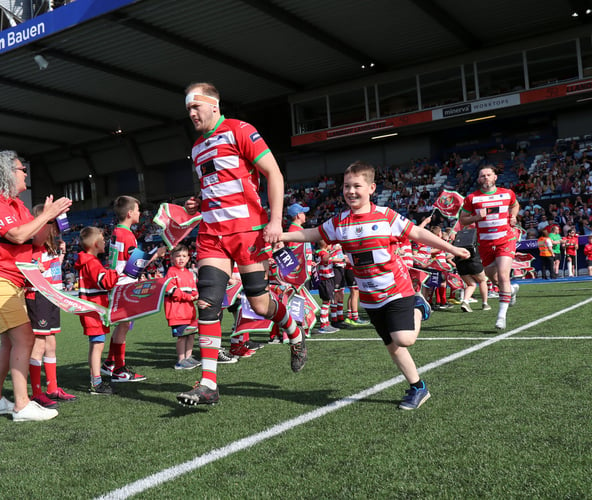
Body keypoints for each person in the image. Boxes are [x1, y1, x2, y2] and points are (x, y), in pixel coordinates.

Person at [281, 161, 470, 410]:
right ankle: (418, 388)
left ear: (371, 188)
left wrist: (452, 248)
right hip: (371, 297)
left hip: (397, 290)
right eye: (347, 186)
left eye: (356, 186)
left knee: (404, 339)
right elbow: (312, 233)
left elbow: (418, 234)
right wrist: (281, 235)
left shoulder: (386, 216)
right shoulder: (339, 222)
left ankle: (418, 305)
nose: (350, 191)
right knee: (393, 346)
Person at [176, 82, 307, 407]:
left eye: (197, 107)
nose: (192, 113)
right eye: (188, 109)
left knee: (261, 305)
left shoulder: (239, 130)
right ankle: (208, 383)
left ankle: (294, 331)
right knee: (207, 302)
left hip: (248, 233)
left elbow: (274, 174)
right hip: (211, 236)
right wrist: (199, 205)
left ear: (214, 105)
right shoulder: (196, 148)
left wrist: (275, 221)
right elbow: (216, 188)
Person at [0, 150, 71, 422]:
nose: (25, 173)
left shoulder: (17, 205)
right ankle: (21, 404)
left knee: (9, 342)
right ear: (6, 173)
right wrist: (46, 214)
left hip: (9, 279)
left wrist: (51, 217)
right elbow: (17, 235)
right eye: (20, 169)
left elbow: (35, 239)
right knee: (25, 338)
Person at [102, 195, 164, 382]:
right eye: (137, 210)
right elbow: (134, 266)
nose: (140, 213)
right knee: (124, 326)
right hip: (123, 284)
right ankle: (119, 369)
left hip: (117, 282)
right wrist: (157, 254)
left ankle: (110, 363)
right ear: (130, 213)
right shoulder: (127, 235)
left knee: (122, 325)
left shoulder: (117, 231)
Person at [25, 203, 77, 409]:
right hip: (38, 297)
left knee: (51, 343)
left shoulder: (51, 246)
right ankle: (37, 392)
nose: (55, 227)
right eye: (52, 222)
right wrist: (34, 266)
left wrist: (60, 256)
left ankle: (52, 387)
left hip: (52, 296)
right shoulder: (33, 247)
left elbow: (52, 272)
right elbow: (29, 274)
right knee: (39, 344)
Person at [458, 165, 520, 330]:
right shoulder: (472, 198)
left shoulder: (507, 193)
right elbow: (462, 220)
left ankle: (501, 317)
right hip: (484, 244)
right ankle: (511, 291)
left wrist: (513, 217)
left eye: (488, 175)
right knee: (494, 279)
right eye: (482, 176)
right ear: (479, 179)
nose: (485, 178)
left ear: (495, 177)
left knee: (503, 275)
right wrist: (477, 217)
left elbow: (515, 205)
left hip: (505, 240)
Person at [76, 226, 119, 395]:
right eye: (102, 240)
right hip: (94, 310)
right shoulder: (92, 262)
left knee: (95, 345)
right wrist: (115, 272)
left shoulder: (86, 261)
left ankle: (95, 378)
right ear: (95, 243)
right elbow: (105, 283)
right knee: (98, 346)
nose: (105, 242)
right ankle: (96, 382)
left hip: (91, 310)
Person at [163, 244, 201, 370]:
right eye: (178, 256)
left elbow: (194, 290)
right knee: (182, 336)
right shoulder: (171, 272)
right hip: (177, 312)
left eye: (184, 256)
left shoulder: (190, 274)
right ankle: (180, 360)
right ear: (172, 258)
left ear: (189, 258)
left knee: (191, 335)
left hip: (190, 312)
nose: (181, 259)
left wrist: (196, 296)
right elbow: (170, 290)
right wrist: (188, 297)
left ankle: (188, 357)